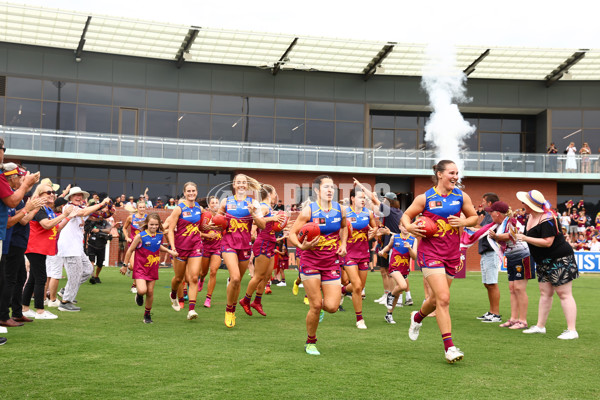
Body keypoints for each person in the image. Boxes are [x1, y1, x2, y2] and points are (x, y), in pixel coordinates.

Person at [403, 160, 478, 363]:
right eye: (451, 173)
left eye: (457, 173)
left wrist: (464, 221)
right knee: (444, 298)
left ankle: (417, 317)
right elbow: (406, 216)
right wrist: (409, 228)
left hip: (452, 254)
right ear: (439, 174)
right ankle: (450, 348)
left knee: (436, 300)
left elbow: (475, 218)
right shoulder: (425, 198)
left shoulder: (461, 196)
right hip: (431, 254)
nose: (455, 176)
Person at [288, 175, 348, 355]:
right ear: (317, 191)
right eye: (326, 187)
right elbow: (292, 233)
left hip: (331, 262)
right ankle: (311, 342)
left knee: (331, 307)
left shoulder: (340, 210)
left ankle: (319, 310)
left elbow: (344, 227)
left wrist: (343, 244)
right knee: (315, 305)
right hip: (310, 261)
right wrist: (300, 245)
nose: (330, 190)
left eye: (332, 187)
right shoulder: (309, 211)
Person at [516, 190, 579, 339]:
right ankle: (540, 326)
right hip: (543, 261)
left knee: (564, 294)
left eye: (525, 202)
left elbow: (547, 242)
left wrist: (524, 238)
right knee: (545, 293)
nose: (523, 204)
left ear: (532, 205)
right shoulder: (530, 217)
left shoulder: (548, 218)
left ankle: (572, 330)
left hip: (559, 259)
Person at [218, 174, 265, 328]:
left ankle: (233, 309)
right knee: (236, 278)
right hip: (228, 243)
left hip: (244, 245)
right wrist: (214, 225)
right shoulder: (226, 201)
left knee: (237, 283)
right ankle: (228, 310)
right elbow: (218, 219)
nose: (241, 185)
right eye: (238, 182)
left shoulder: (253, 203)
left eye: (244, 183)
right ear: (234, 184)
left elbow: (262, 225)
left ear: (247, 185)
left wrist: (253, 213)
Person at [22, 183, 75, 320]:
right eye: (48, 192)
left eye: (52, 192)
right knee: (41, 278)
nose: (52, 194)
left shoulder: (47, 210)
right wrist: (64, 215)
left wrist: (68, 217)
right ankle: (40, 310)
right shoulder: (39, 208)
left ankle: (25, 308)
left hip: (40, 248)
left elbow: (55, 228)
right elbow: (46, 225)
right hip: (35, 247)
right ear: (39, 195)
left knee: (34, 278)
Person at [0, 165, 44, 327]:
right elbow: (21, 219)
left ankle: (16, 313)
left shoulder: (15, 196)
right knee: (9, 279)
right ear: (11, 178)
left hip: (16, 242)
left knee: (19, 277)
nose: (21, 180)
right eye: (19, 177)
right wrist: (32, 208)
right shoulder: (10, 197)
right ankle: (4, 315)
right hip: (11, 243)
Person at [56, 187, 111, 312]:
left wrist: (106, 211)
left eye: (80, 195)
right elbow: (84, 213)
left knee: (88, 270)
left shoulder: (80, 208)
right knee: (75, 275)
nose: (78, 197)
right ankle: (65, 302)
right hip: (69, 247)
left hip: (76, 247)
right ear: (70, 197)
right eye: (75, 195)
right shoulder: (68, 207)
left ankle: (66, 290)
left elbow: (94, 216)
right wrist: (101, 203)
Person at [121, 213, 178, 323]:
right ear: (147, 224)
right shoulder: (140, 236)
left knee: (150, 292)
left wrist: (169, 251)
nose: (154, 227)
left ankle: (147, 314)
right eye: (151, 224)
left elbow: (157, 246)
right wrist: (125, 265)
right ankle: (139, 294)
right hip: (140, 268)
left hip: (152, 267)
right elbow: (130, 250)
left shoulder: (160, 235)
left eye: (156, 225)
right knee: (143, 290)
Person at [239, 185, 286, 317]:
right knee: (259, 276)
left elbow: (270, 225)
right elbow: (256, 222)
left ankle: (257, 302)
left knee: (266, 276)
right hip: (263, 243)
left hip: (270, 242)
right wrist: (272, 219)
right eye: (275, 193)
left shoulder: (269, 208)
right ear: (270, 194)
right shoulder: (263, 207)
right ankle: (245, 300)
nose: (276, 195)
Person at [487, 201, 535, 330]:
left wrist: (497, 236)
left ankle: (523, 320)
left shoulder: (511, 221)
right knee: (512, 288)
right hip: (512, 257)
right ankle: (513, 319)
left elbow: (511, 236)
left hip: (523, 256)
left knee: (519, 288)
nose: (489, 214)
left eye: (491, 212)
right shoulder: (499, 224)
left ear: (497, 213)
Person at [164, 182, 204, 320]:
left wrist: (210, 227)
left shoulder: (199, 208)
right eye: (188, 191)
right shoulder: (178, 209)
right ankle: (173, 294)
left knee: (193, 277)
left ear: (197, 192)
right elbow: (170, 229)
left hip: (196, 246)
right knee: (179, 278)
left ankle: (191, 310)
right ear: (184, 193)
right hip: (180, 248)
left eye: (193, 190)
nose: (191, 193)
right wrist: (173, 247)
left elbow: (202, 226)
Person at [340, 188, 377, 329]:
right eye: (360, 197)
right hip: (349, 253)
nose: (363, 200)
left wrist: (373, 233)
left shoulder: (368, 214)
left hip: (363, 254)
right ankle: (359, 319)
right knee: (356, 286)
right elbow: (339, 230)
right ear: (352, 199)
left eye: (364, 198)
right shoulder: (345, 213)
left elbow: (375, 230)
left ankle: (342, 291)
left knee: (360, 286)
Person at [378, 224, 416, 324]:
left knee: (398, 294)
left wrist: (410, 249)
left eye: (407, 226)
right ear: (399, 227)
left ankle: (389, 314)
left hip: (405, 268)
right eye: (403, 226)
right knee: (403, 285)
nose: (405, 228)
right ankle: (390, 295)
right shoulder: (395, 237)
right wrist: (382, 251)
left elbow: (414, 257)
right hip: (394, 267)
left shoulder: (413, 239)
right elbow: (389, 246)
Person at [476, 193, 502, 323]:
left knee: (492, 283)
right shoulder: (488, 215)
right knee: (487, 284)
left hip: (491, 252)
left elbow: (482, 230)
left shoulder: (494, 216)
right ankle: (491, 312)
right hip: (485, 252)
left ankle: (496, 314)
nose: (483, 203)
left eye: (484, 201)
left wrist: (467, 225)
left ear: (490, 203)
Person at [199, 196, 224, 308]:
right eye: (212, 202)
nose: (214, 204)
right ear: (209, 205)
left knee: (213, 271)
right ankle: (202, 279)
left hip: (217, 248)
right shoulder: (205, 217)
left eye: (216, 202)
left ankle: (208, 298)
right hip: (206, 247)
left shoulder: (223, 218)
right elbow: (197, 232)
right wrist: (207, 235)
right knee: (203, 272)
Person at [86, 204, 114, 284]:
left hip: (101, 245)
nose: (100, 216)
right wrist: (96, 230)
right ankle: (92, 276)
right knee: (91, 261)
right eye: (99, 213)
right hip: (92, 243)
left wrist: (99, 230)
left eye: (102, 214)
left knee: (100, 263)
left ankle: (96, 276)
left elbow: (108, 230)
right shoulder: (92, 221)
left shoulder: (106, 223)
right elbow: (90, 229)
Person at [124, 199, 148, 293]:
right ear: (137, 208)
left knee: (140, 266)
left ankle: (134, 285)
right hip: (133, 244)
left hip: (144, 245)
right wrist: (126, 237)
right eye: (140, 207)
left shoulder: (148, 218)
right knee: (133, 266)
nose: (142, 209)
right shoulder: (131, 217)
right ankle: (129, 267)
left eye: (143, 207)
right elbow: (124, 228)